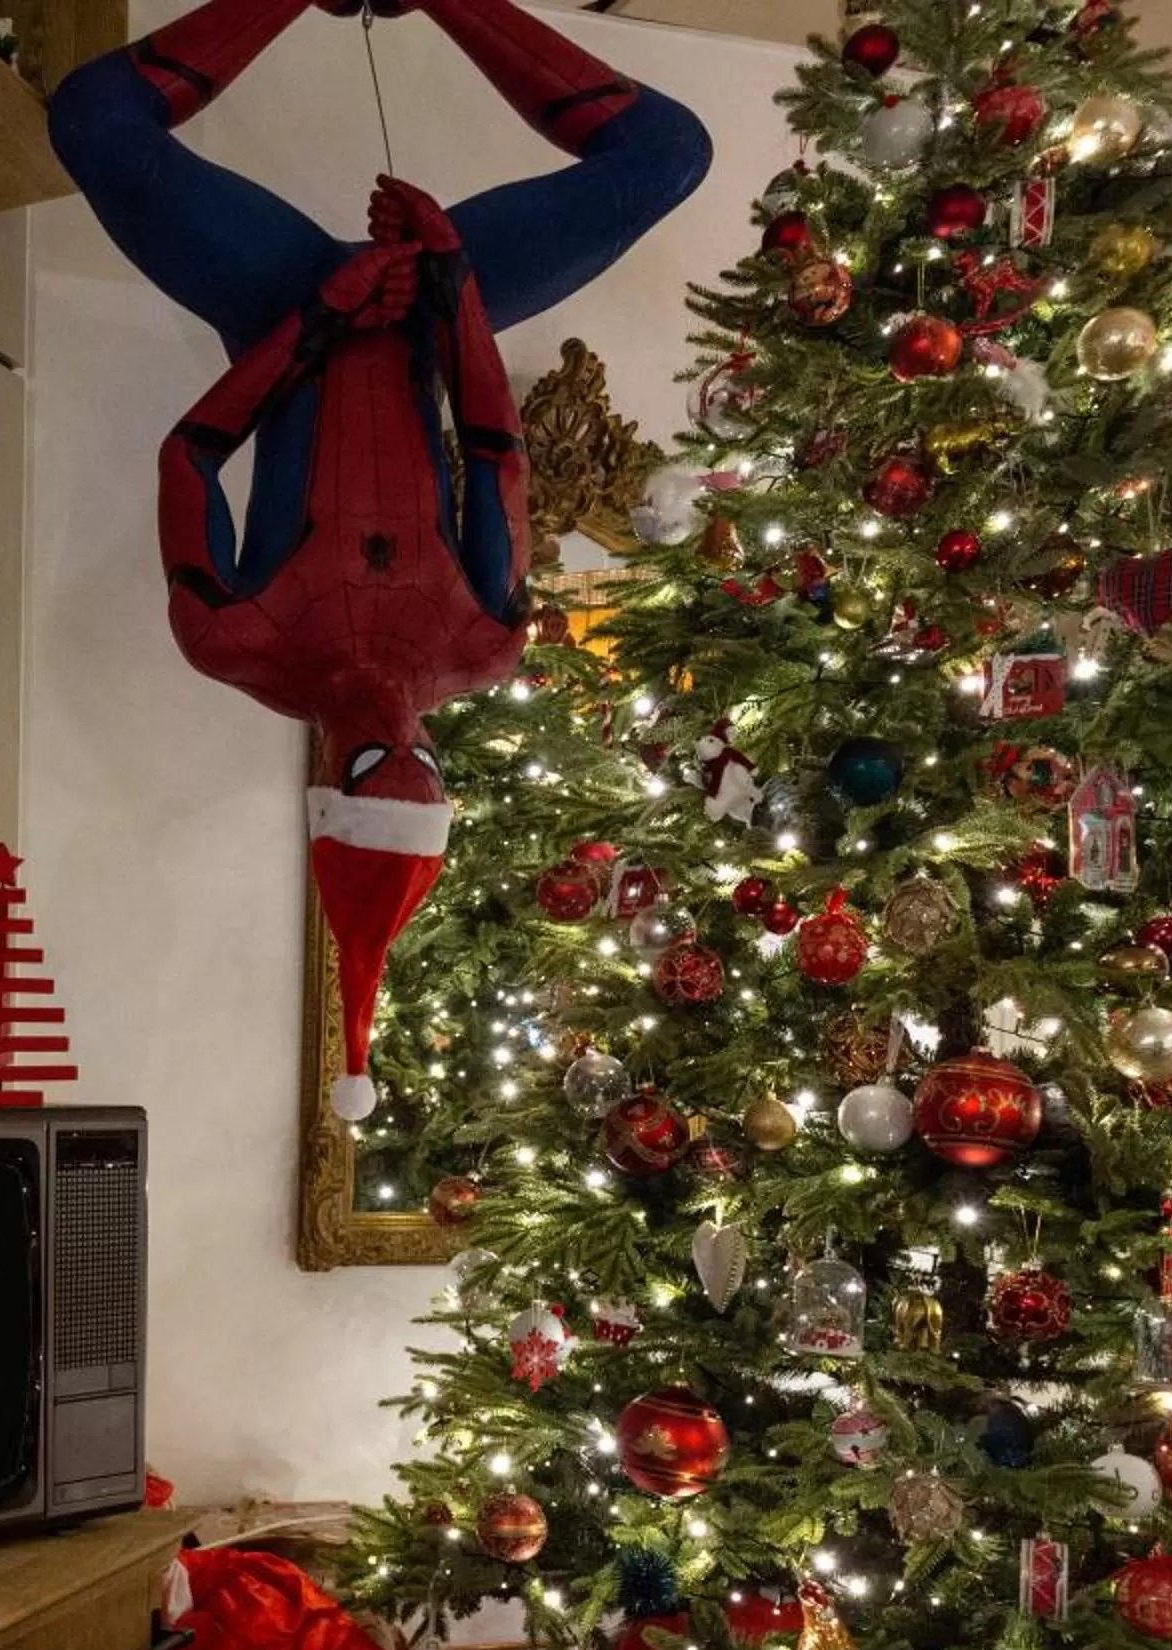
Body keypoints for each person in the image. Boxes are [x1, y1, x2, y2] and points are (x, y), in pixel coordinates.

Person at [48, 0, 710, 1119]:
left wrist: (311, 322)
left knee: (90, 120)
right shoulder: (483, 642)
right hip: (430, 314)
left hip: (279, 301)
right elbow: (497, 451)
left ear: (325, 785)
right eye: (424, 768)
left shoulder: (236, 639)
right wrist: (449, 293)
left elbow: (192, 455)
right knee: (671, 153)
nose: (394, 728)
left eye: (368, 765)